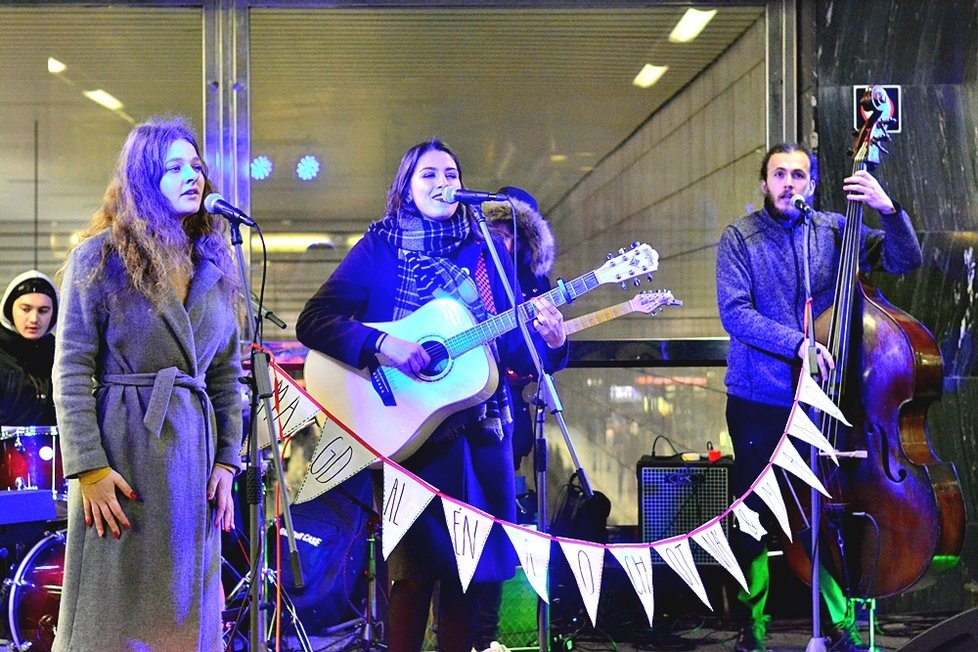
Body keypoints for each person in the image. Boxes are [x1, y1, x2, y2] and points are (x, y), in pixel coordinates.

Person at [296, 139, 568, 652]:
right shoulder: (380, 247)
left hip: (482, 437)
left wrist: (551, 344)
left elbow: (511, 348)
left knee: (472, 581)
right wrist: (383, 344)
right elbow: (315, 321)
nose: (442, 182)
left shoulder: (486, 250)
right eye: (428, 174)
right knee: (410, 580)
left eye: (451, 172)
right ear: (406, 187)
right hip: (407, 437)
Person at [716, 142, 922, 652]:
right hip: (758, 401)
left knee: (815, 514)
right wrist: (800, 343)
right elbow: (735, 314)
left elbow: (905, 258)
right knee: (754, 517)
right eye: (780, 174)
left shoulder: (833, 229)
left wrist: (888, 210)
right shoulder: (739, 239)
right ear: (763, 184)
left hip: (821, 401)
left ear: (812, 184)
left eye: (799, 175)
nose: (790, 183)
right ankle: (752, 627)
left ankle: (836, 623)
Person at [52, 116, 243, 651]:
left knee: (187, 609)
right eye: (174, 167)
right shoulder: (101, 257)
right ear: (141, 179)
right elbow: (70, 368)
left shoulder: (215, 262)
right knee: (114, 614)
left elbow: (227, 375)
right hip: (124, 452)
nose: (193, 176)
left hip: (195, 459)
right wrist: (88, 468)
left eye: (196, 165)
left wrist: (228, 462)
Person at [484, 186, 556, 465]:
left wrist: (555, 343)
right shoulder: (470, 268)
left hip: (509, 407)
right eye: (501, 236)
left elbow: (535, 358)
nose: (509, 246)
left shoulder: (534, 281)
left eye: (517, 238)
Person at [0, 270, 59, 426]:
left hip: (53, 447)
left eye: (43, 311)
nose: (34, 319)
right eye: (25, 309)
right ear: (9, 308)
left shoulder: (60, 354)